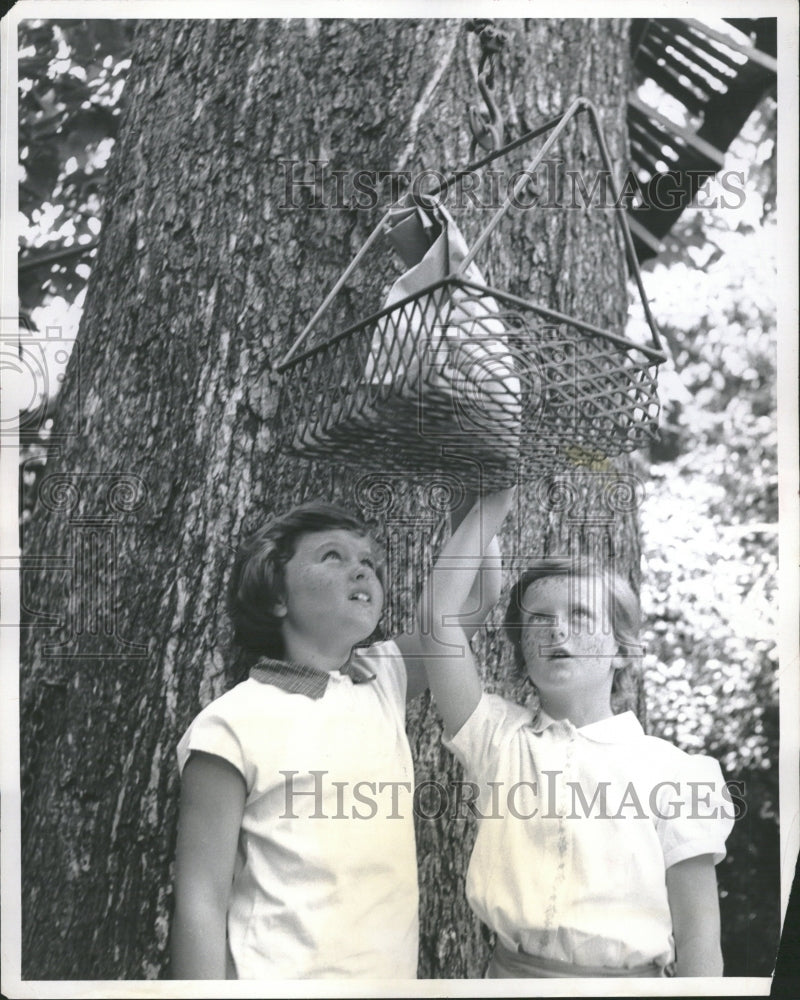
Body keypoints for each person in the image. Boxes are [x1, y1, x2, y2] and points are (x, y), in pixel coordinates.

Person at [170, 499, 496, 980]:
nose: (361, 571)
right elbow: (201, 901)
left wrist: (479, 499)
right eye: (332, 557)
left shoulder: (382, 677)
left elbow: (472, 602)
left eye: (368, 563)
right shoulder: (230, 723)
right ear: (277, 597)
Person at [420, 488, 734, 978]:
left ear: (624, 650)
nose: (555, 632)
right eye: (537, 621)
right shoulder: (499, 738)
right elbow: (439, 621)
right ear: (522, 651)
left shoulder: (676, 772)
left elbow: (699, 941)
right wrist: (487, 502)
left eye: (581, 616)